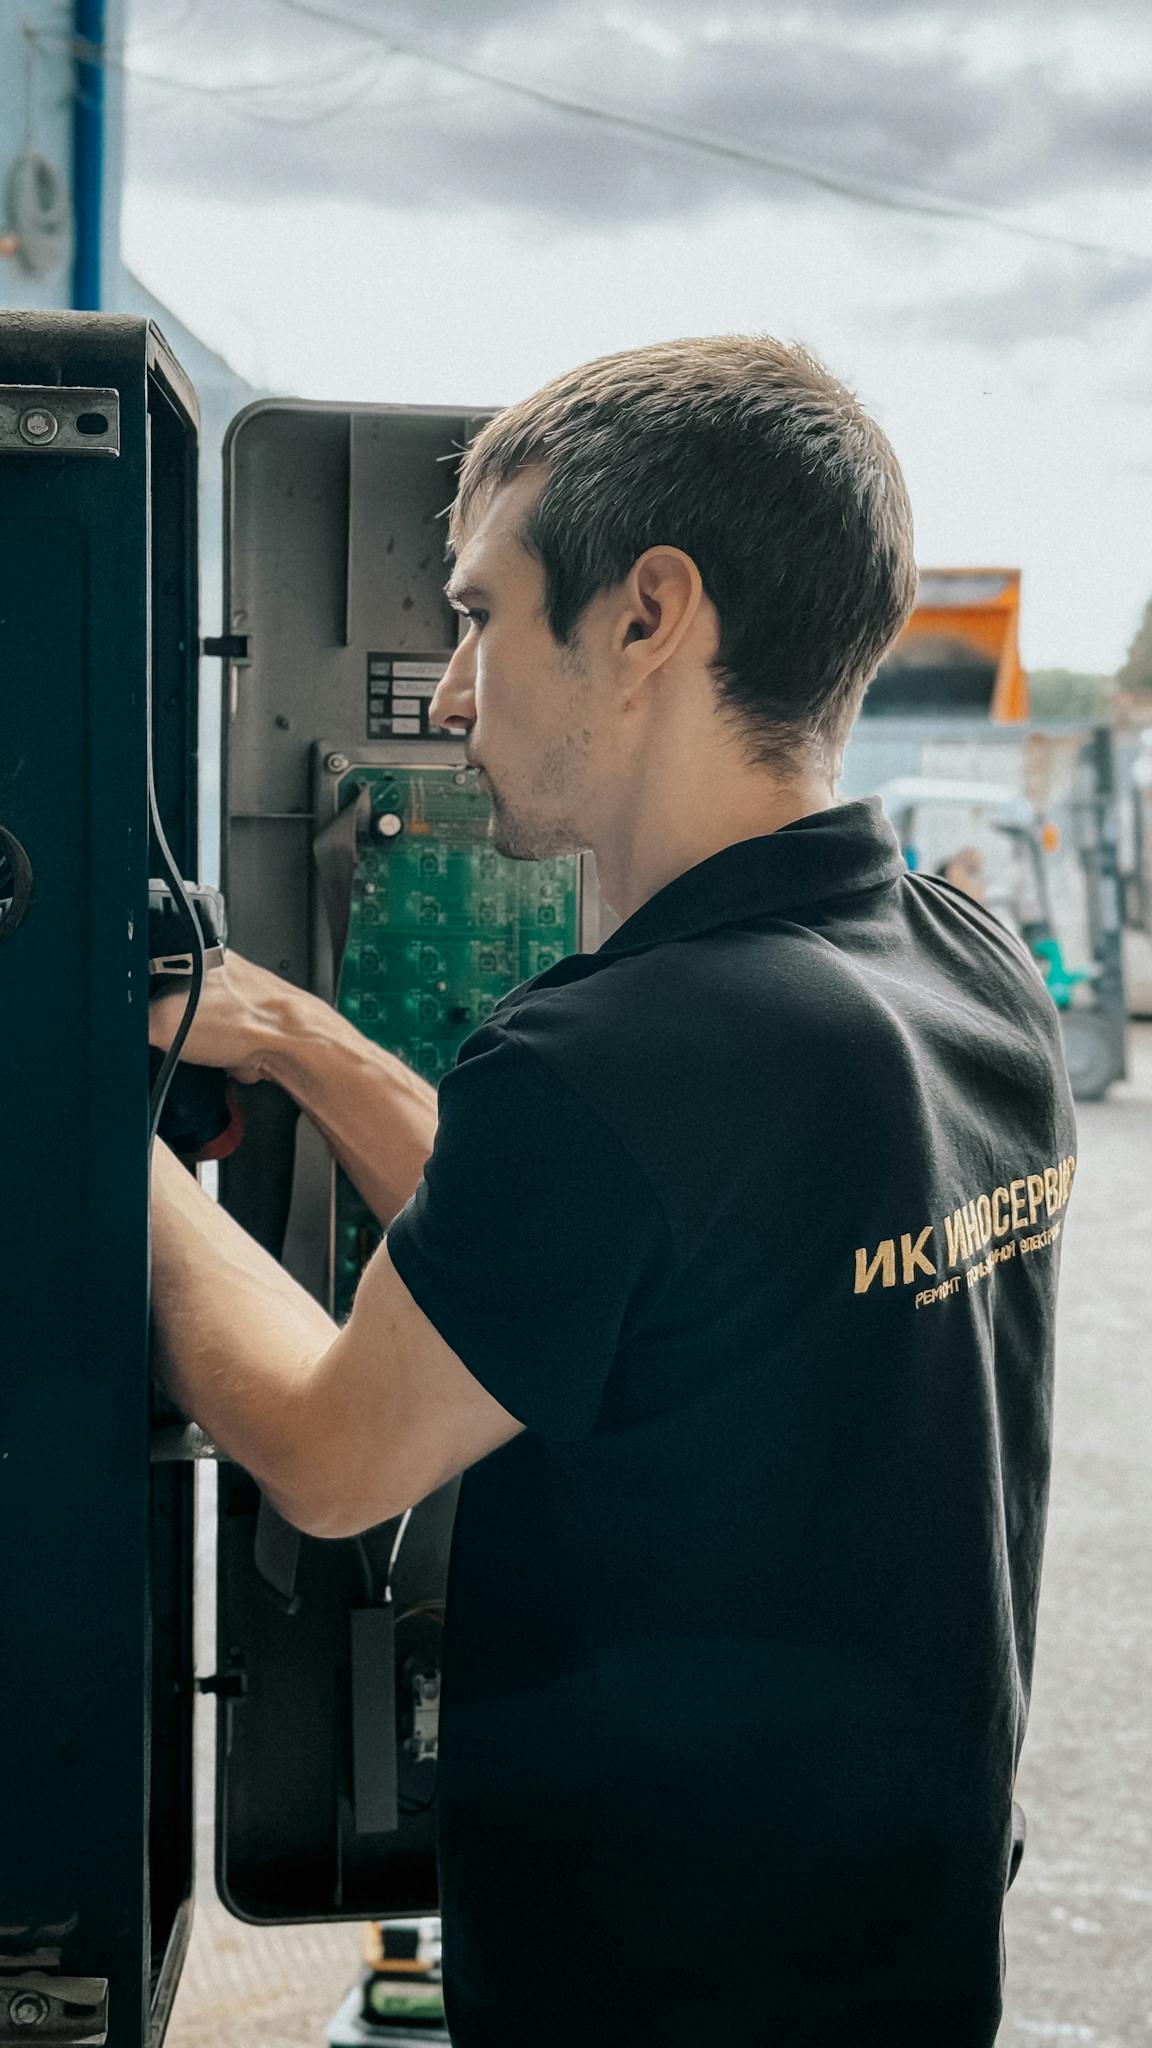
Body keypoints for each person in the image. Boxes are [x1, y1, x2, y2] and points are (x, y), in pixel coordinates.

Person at [149, 335, 1076, 2048]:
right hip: (904, 1953)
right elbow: (605, 1261)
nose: (442, 693)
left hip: (655, 1994)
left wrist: (93, 1135)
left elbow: (336, 1452)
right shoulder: (958, 964)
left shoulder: (630, 1053)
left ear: (650, 614)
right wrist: (292, 1037)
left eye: (482, 614)